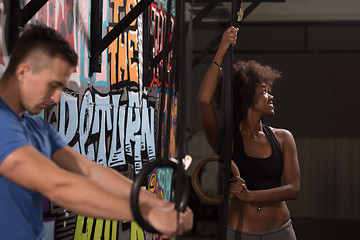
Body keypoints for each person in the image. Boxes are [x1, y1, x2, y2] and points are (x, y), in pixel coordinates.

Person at [0, 24, 193, 239]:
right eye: (52, 85)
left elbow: (89, 170)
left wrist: (159, 203)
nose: (55, 98)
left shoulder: (38, 127)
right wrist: (145, 213)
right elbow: (58, 186)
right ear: (23, 71)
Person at [198, 26, 300, 240]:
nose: (270, 96)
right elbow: (204, 101)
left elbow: (293, 189)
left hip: (280, 231)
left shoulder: (283, 138)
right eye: (263, 91)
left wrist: (250, 195)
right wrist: (222, 50)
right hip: (239, 232)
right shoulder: (227, 140)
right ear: (244, 96)